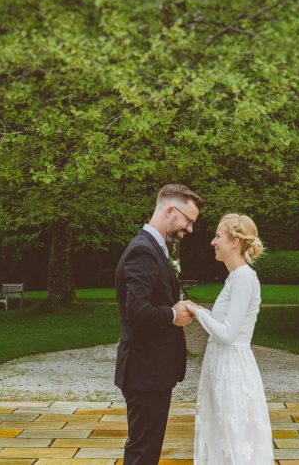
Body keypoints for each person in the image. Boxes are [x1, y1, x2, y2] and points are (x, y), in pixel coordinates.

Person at [114, 184, 203, 465]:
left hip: (150, 372)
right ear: (169, 210)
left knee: (146, 450)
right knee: (143, 453)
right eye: (188, 220)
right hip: (145, 372)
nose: (189, 228)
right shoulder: (143, 251)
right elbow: (137, 311)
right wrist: (172, 315)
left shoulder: (153, 247)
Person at [185, 213, 273, 465]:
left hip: (233, 366)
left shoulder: (244, 278)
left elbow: (227, 333)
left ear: (235, 242)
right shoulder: (235, 277)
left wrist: (197, 311)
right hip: (221, 364)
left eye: (218, 236)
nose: (213, 242)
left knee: (234, 434)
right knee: (221, 430)